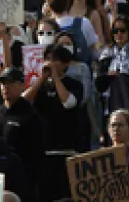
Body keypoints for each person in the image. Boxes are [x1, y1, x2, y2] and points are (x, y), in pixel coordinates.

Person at [24, 44, 86, 200]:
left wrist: (56, 78)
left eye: (55, 60)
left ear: (65, 64)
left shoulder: (74, 84)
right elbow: (23, 103)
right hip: (44, 152)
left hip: (68, 151)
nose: (50, 63)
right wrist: (41, 79)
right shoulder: (39, 86)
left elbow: (69, 103)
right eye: (47, 59)